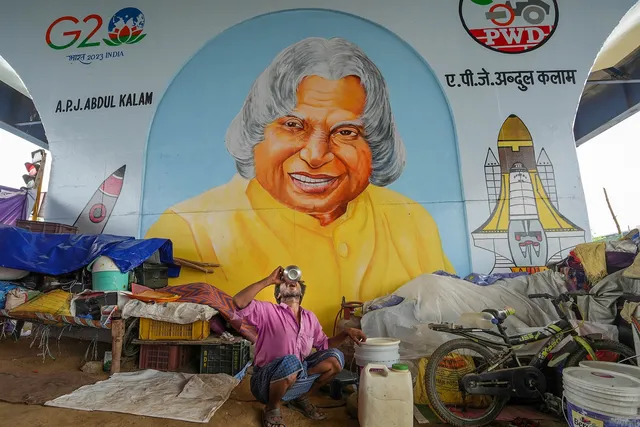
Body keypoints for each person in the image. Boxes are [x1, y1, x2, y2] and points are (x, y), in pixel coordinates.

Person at [146, 37, 454, 331]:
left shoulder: (412, 223)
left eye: (346, 131)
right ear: (256, 132)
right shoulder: (188, 229)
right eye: (293, 125)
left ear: (374, 145)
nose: (316, 154)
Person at [233, 266, 367, 427]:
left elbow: (324, 344)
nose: (291, 283)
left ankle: (300, 396)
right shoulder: (268, 311)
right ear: (278, 294)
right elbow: (238, 302)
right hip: (265, 382)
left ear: (301, 293)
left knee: (336, 358)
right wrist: (269, 280)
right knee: (291, 362)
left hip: (296, 373)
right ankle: (272, 407)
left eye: (295, 282)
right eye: (284, 283)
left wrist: (345, 333)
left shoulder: (310, 318)